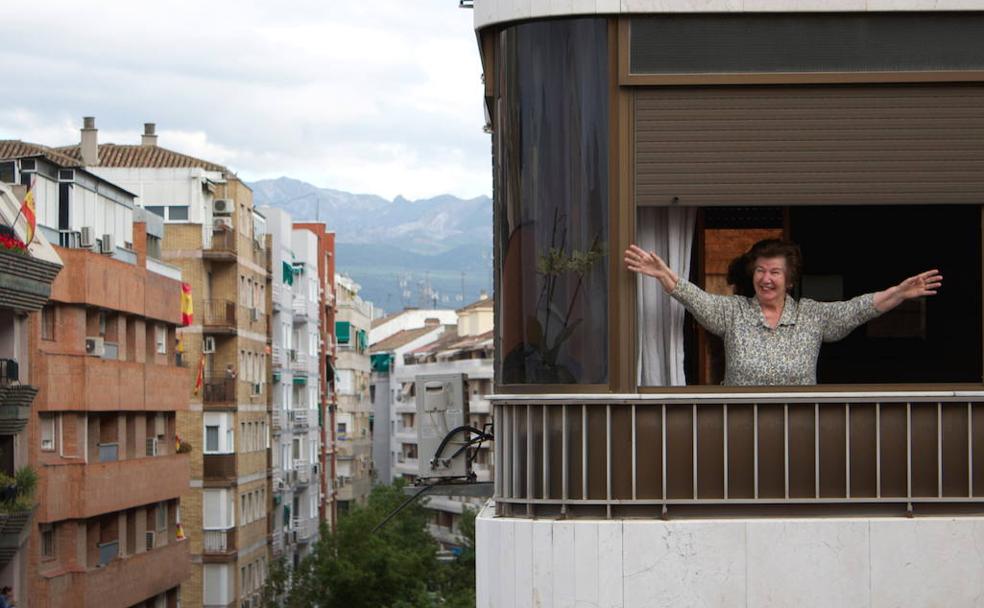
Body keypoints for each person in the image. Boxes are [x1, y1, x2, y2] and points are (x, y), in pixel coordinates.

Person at [624, 239, 942, 386]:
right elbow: (697, 299)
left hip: (798, 429)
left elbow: (858, 308)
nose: (766, 278)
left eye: (775, 272)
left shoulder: (811, 316)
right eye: (760, 271)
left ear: (789, 280)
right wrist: (666, 276)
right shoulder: (734, 312)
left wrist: (899, 293)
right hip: (737, 427)